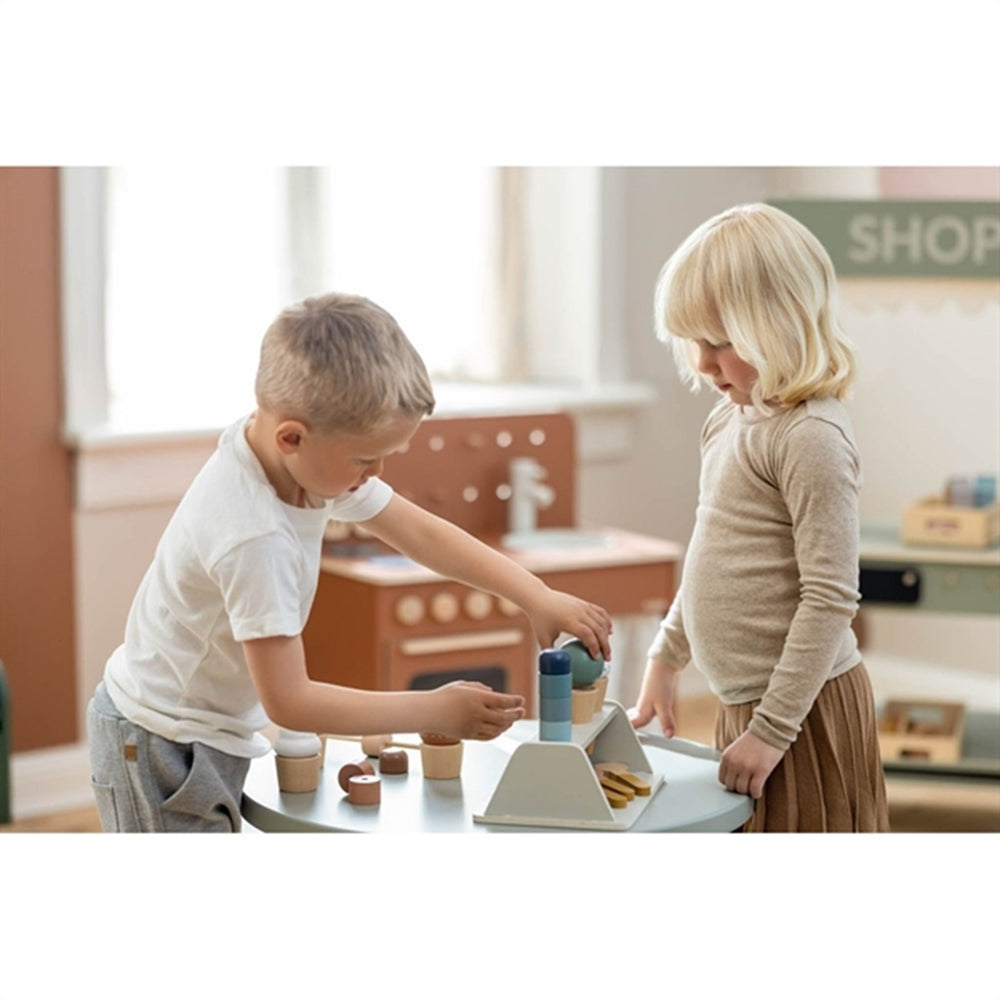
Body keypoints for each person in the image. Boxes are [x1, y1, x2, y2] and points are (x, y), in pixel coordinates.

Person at [87, 291, 613, 832]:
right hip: (160, 745)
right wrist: (433, 711)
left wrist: (534, 595)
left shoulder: (287, 457)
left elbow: (419, 532)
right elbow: (291, 702)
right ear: (292, 437)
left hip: (200, 734)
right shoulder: (254, 535)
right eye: (365, 458)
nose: (377, 472)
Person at [629, 203, 889, 832]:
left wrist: (772, 730)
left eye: (719, 342)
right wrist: (667, 655)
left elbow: (831, 597)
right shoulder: (727, 420)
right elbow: (711, 555)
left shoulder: (810, 437)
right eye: (693, 341)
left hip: (804, 709)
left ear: (781, 327)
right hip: (748, 703)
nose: (702, 363)